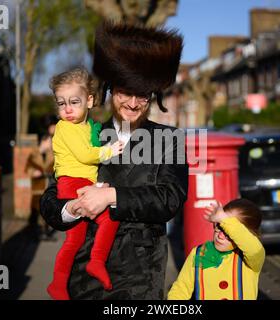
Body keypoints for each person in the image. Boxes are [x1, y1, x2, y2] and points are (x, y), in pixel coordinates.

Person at [40, 21, 188, 299]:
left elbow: (171, 198)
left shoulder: (171, 138)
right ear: (109, 90)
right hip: (84, 280)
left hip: (140, 282)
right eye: (124, 92)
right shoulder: (84, 134)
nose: (133, 103)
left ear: (153, 95)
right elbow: (49, 201)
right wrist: (72, 207)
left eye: (142, 94)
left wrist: (111, 195)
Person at [47, 67, 124, 300]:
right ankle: (61, 282)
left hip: (84, 182)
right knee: (81, 235)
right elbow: (84, 155)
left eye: (74, 102)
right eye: (61, 104)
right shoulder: (65, 127)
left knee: (90, 230)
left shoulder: (88, 126)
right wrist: (108, 151)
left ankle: (93, 263)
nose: (67, 109)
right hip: (72, 183)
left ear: (89, 101)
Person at [168, 199, 265, 300]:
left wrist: (224, 220)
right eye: (219, 225)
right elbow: (181, 289)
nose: (221, 236)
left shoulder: (252, 257)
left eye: (229, 233)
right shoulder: (200, 252)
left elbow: (252, 246)